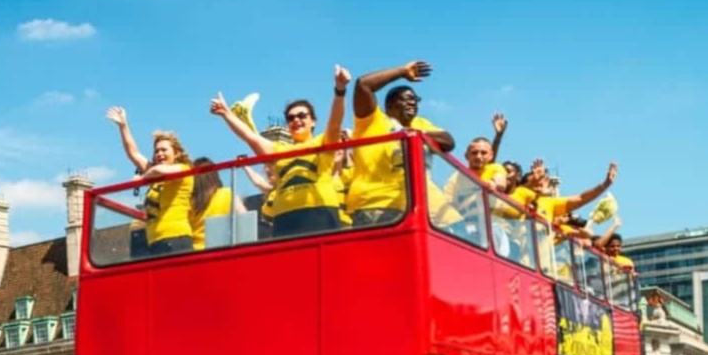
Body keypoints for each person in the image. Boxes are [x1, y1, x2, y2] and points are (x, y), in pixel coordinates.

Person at [209, 65, 352, 238]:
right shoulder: (278, 150)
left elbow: (335, 122)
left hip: (320, 214)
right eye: (291, 118)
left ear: (313, 121)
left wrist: (340, 90)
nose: (296, 120)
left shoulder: (321, 142)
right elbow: (250, 137)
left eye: (302, 115)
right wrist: (226, 114)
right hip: (285, 219)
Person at [345, 60, 456, 227]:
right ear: (389, 105)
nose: (412, 102)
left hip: (411, 209)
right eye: (405, 99)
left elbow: (448, 141)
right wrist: (402, 72)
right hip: (373, 207)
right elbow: (363, 85)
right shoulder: (372, 121)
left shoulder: (420, 124)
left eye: (415, 99)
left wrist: (415, 134)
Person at [106, 106, 196, 256]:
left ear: (176, 153)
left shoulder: (184, 169)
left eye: (164, 150)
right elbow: (133, 153)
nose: (159, 154)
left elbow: (157, 171)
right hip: (154, 242)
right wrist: (123, 126)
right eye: (156, 151)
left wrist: (141, 179)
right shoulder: (153, 175)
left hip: (177, 239)